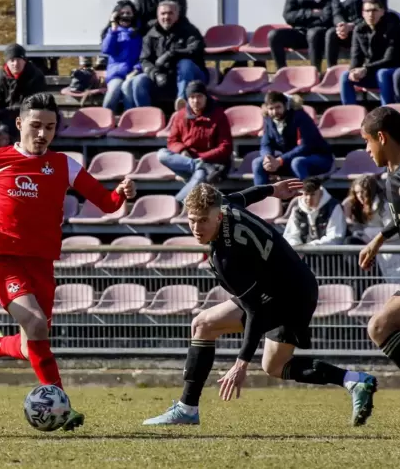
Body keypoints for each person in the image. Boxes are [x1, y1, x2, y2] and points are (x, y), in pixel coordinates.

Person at [0, 93, 137, 431]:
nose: (43, 134)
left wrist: (122, 194)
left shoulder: (64, 165)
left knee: (31, 341)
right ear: (20, 123)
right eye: (36, 126)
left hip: (42, 262)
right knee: (37, 325)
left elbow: (107, 203)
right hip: (1, 257)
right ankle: (62, 407)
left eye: (50, 128)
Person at [143, 180, 377, 427]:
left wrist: (241, 363)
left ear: (218, 216)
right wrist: (272, 190)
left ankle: (187, 409)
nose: (196, 228)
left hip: (289, 295)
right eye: (191, 220)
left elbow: (254, 310)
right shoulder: (225, 205)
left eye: (203, 220)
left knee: (204, 325)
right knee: (274, 365)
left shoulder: (226, 257)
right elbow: (244, 196)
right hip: (288, 286)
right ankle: (354, 379)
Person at [356, 107, 400, 372]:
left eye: (367, 141)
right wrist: (379, 239)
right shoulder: (392, 175)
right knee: (379, 327)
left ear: (381, 137)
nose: (367, 149)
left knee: (379, 327)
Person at [158, 81, 232, 203]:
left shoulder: (219, 115)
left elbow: (225, 147)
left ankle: (175, 204)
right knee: (162, 154)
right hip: (187, 161)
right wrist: (181, 150)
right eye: (192, 97)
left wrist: (202, 157)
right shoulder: (180, 115)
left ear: (206, 97)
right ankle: (197, 165)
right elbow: (172, 141)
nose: (196, 101)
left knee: (199, 177)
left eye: (199, 96)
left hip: (210, 162)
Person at [131, 0, 206, 110]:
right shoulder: (150, 35)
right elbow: (144, 60)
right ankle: (146, 117)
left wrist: (172, 53)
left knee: (185, 63)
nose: (166, 17)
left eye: (170, 13)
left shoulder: (189, 30)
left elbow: (196, 49)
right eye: (163, 13)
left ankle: (182, 103)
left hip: (192, 77)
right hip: (163, 78)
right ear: (157, 15)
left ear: (177, 14)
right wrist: (155, 74)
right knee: (138, 81)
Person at [253, 92, 333, 185]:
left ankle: (307, 193)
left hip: (317, 159)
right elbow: (265, 143)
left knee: (297, 162)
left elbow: (305, 146)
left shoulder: (300, 116)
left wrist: (280, 160)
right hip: (288, 160)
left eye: (278, 107)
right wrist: (267, 158)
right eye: (271, 108)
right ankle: (261, 197)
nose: (275, 112)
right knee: (258, 163)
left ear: (285, 105)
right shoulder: (268, 119)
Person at [268, 0, 334, 70]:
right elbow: (288, 15)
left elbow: (327, 16)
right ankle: (282, 73)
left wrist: (300, 16)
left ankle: (315, 73)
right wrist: (312, 13)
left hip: (320, 35)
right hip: (300, 33)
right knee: (274, 35)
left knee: (313, 33)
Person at [340, 0, 400, 106]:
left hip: (391, 70)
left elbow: (389, 59)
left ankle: (387, 111)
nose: (371, 14)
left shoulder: (392, 28)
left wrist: (365, 68)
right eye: (367, 11)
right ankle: (350, 112)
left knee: (382, 73)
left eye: (374, 10)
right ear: (363, 13)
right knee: (346, 75)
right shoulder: (359, 30)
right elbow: (355, 56)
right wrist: (353, 71)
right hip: (370, 72)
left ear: (382, 12)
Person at [326, 0, 387, 68]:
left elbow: (379, 14)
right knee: (331, 33)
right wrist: (341, 24)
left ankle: (365, 69)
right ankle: (330, 71)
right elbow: (336, 13)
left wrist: (352, 26)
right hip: (346, 33)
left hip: (368, 31)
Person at [344, 175, 400, 281]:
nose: (359, 195)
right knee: (350, 241)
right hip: (374, 250)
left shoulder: (385, 206)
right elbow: (358, 229)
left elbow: (394, 232)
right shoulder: (359, 206)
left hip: (390, 249)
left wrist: (367, 233)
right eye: (357, 192)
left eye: (363, 192)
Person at [0, 43, 46, 139]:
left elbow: (37, 103)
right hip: (5, 113)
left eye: (19, 59)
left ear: (24, 61)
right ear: (7, 62)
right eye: (12, 60)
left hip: (28, 113)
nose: (15, 64)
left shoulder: (35, 76)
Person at [101, 0, 142, 113]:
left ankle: (130, 121)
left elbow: (144, 56)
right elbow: (106, 50)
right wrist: (113, 29)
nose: (125, 16)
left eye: (128, 13)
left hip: (133, 73)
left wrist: (136, 70)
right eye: (122, 13)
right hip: (116, 74)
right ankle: (103, 120)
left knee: (127, 88)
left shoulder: (139, 34)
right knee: (113, 90)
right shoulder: (112, 32)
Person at [283, 177, 346, 247]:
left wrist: (310, 247)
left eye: (313, 194)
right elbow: (291, 235)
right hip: (302, 253)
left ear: (321, 193)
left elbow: (335, 237)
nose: (309, 198)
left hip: (327, 253)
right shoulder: (297, 210)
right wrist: (298, 247)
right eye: (306, 194)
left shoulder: (333, 207)